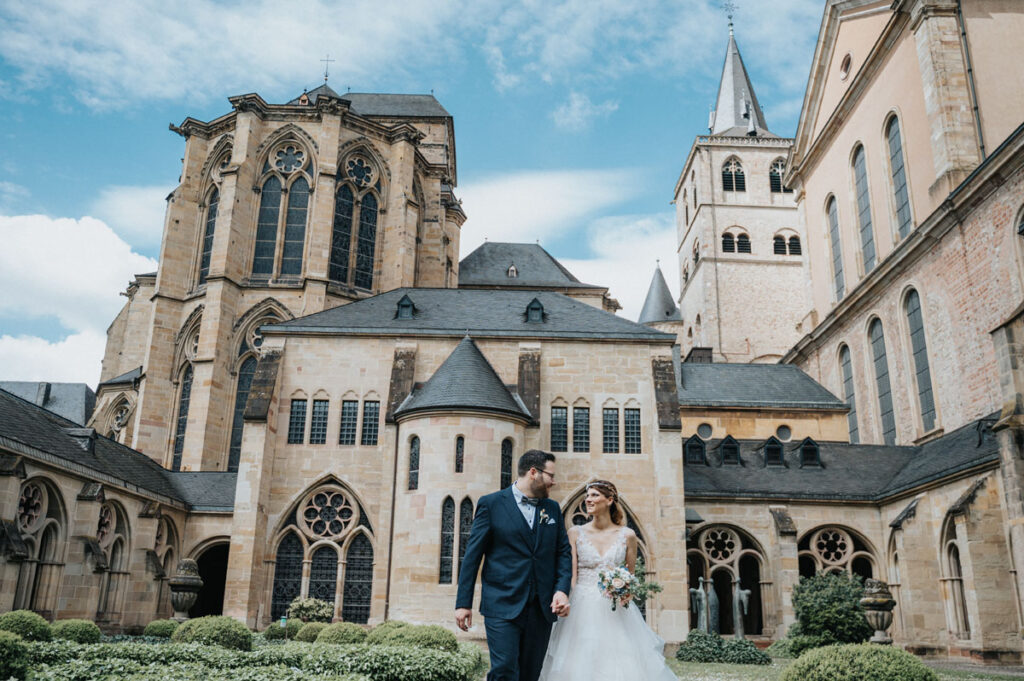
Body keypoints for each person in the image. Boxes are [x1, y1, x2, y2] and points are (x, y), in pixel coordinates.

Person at [537, 479, 676, 681]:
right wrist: (567, 598)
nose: (588, 499)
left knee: (619, 661)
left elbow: (629, 576)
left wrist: (624, 592)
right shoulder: (575, 533)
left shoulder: (628, 535)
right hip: (581, 605)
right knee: (578, 660)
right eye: (587, 496)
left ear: (609, 500)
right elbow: (571, 575)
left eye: (594, 495)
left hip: (615, 609)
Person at [456, 450, 573, 681]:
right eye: (550, 475)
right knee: (504, 670)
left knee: (530, 674)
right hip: (502, 603)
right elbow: (472, 556)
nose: (554, 481)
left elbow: (563, 553)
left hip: (540, 608)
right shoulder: (491, 504)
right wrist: (463, 603)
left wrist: (561, 590)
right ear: (533, 473)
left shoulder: (552, 509)